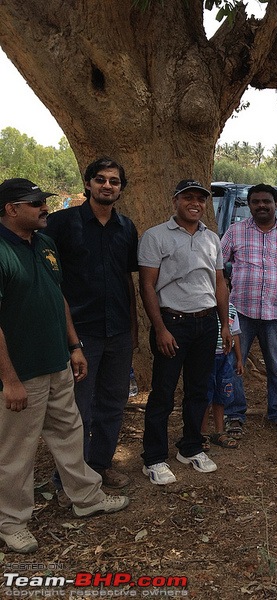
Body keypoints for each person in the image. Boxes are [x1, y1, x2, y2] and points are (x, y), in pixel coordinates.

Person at [0, 178, 129, 554]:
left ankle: (86, 498)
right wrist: (10, 380)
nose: (44, 208)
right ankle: (11, 522)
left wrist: (74, 346)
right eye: (37, 203)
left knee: (70, 432)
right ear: (11, 209)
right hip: (22, 372)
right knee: (15, 450)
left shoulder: (44, 243)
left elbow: (58, 297)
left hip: (57, 362)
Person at [42, 157, 139, 497]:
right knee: (76, 410)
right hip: (78, 334)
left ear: (121, 188)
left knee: (113, 403)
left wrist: (134, 328)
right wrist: (70, 342)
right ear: (87, 184)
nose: (107, 185)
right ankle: (68, 478)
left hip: (118, 332)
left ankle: (100, 465)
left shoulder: (127, 228)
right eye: (101, 179)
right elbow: (50, 282)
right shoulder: (59, 224)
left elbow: (126, 279)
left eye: (114, 181)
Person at [138, 179, 232, 484]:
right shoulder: (156, 236)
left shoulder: (211, 238)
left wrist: (225, 324)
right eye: (188, 197)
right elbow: (147, 286)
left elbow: (219, 283)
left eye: (200, 199)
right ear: (175, 200)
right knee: (163, 392)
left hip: (205, 324)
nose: (196, 203)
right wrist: (160, 328)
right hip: (172, 323)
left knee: (198, 389)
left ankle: (190, 447)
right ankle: (153, 458)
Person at [220, 183, 277, 439]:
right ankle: (235, 415)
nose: (261, 206)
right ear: (249, 205)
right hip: (241, 314)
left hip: (276, 315)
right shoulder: (235, 232)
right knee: (234, 365)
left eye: (266, 201)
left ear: (276, 204)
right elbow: (217, 267)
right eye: (256, 201)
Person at [203, 297, 243, 450]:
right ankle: (203, 432)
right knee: (206, 394)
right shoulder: (206, 308)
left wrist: (239, 359)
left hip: (225, 358)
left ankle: (219, 432)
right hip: (207, 358)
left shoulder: (232, 309)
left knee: (221, 394)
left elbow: (236, 334)